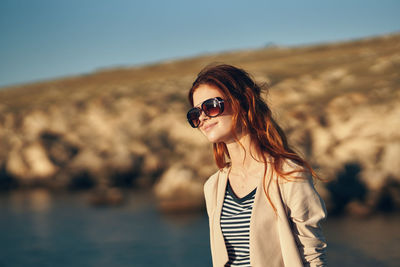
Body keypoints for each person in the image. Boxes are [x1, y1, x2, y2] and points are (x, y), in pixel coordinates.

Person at [186, 64, 327, 267]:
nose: (203, 117)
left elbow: (313, 257)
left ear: (242, 103)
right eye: (195, 114)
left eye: (211, 106)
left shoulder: (289, 174)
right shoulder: (213, 186)